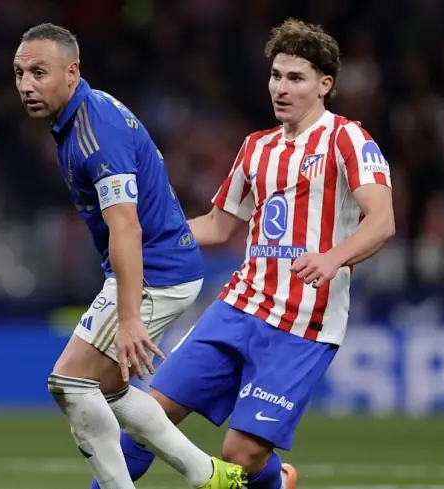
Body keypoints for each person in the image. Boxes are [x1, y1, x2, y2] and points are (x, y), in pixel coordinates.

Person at [90, 18, 396, 489]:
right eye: (276, 75)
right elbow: (217, 225)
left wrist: (334, 257)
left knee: (241, 455)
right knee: (145, 421)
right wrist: (142, 244)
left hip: (302, 324)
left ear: (324, 85)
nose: (281, 87)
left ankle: (275, 480)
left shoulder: (347, 138)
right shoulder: (256, 147)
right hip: (238, 306)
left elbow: (382, 219)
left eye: (296, 78)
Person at [14, 23, 248, 489]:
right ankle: (212, 477)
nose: (26, 85)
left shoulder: (94, 134)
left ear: (71, 72)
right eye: (20, 73)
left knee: (68, 384)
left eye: (39, 72)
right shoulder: (83, 113)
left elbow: (126, 224)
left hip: (157, 273)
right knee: (110, 390)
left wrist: (127, 318)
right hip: (165, 265)